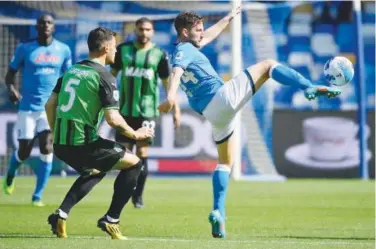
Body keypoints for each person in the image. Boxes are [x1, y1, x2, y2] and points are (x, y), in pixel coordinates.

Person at [158, 7, 341, 239]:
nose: (203, 33)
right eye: (198, 29)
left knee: (225, 162)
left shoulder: (186, 47)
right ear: (184, 32)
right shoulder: (184, 52)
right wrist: (171, 96)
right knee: (267, 65)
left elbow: (208, 37)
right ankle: (308, 87)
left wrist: (226, 18)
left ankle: (219, 212)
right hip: (221, 97)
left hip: (212, 113)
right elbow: (176, 72)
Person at [45, 27, 154, 240]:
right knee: (135, 163)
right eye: (114, 47)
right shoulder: (105, 76)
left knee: (96, 168)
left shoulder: (72, 70)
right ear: (106, 48)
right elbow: (113, 119)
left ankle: (61, 214)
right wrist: (135, 134)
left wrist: (55, 130)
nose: (116, 52)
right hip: (83, 142)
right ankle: (111, 220)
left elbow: (50, 103)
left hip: (61, 144)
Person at [3, 14, 72, 207]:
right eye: (42, 22)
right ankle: (10, 174)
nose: (46, 25)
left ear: (54, 27)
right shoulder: (25, 48)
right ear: (36, 26)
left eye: (49, 23)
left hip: (49, 107)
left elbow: (69, 76)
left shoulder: (64, 50)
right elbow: (9, 75)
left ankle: (37, 195)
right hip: (27, 108)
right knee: (24, 151)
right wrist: (12, 90)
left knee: (47, 147)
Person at [111, 17, 181, 209]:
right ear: (135, 29)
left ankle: (138, 196)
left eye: (148, 29)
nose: (144, 33)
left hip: (147, 112)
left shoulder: (159, 54)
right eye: (141, 29)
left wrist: (176, 110)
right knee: (124, 156)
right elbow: (109, 77)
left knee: (142, 153)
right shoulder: (123, 50)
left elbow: (169, 87)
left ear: (153, 32)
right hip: (124, 112)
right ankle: (122, 194)